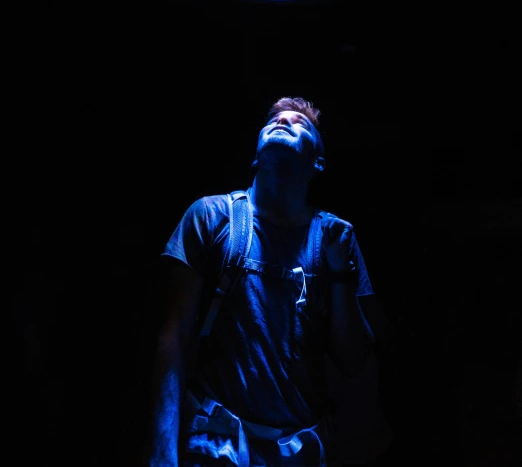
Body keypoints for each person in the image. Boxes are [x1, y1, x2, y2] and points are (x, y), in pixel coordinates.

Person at [146, 97, 393, 467]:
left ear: (318, 162)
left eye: (300, 123)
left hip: (301, 451)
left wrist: (341, 275)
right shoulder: (213, 217)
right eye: (275, 119)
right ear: (256, 155)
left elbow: (356, 357)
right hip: (215, 445)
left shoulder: (335, 239)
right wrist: (162, 451)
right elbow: (173, 337)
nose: (284, 121)